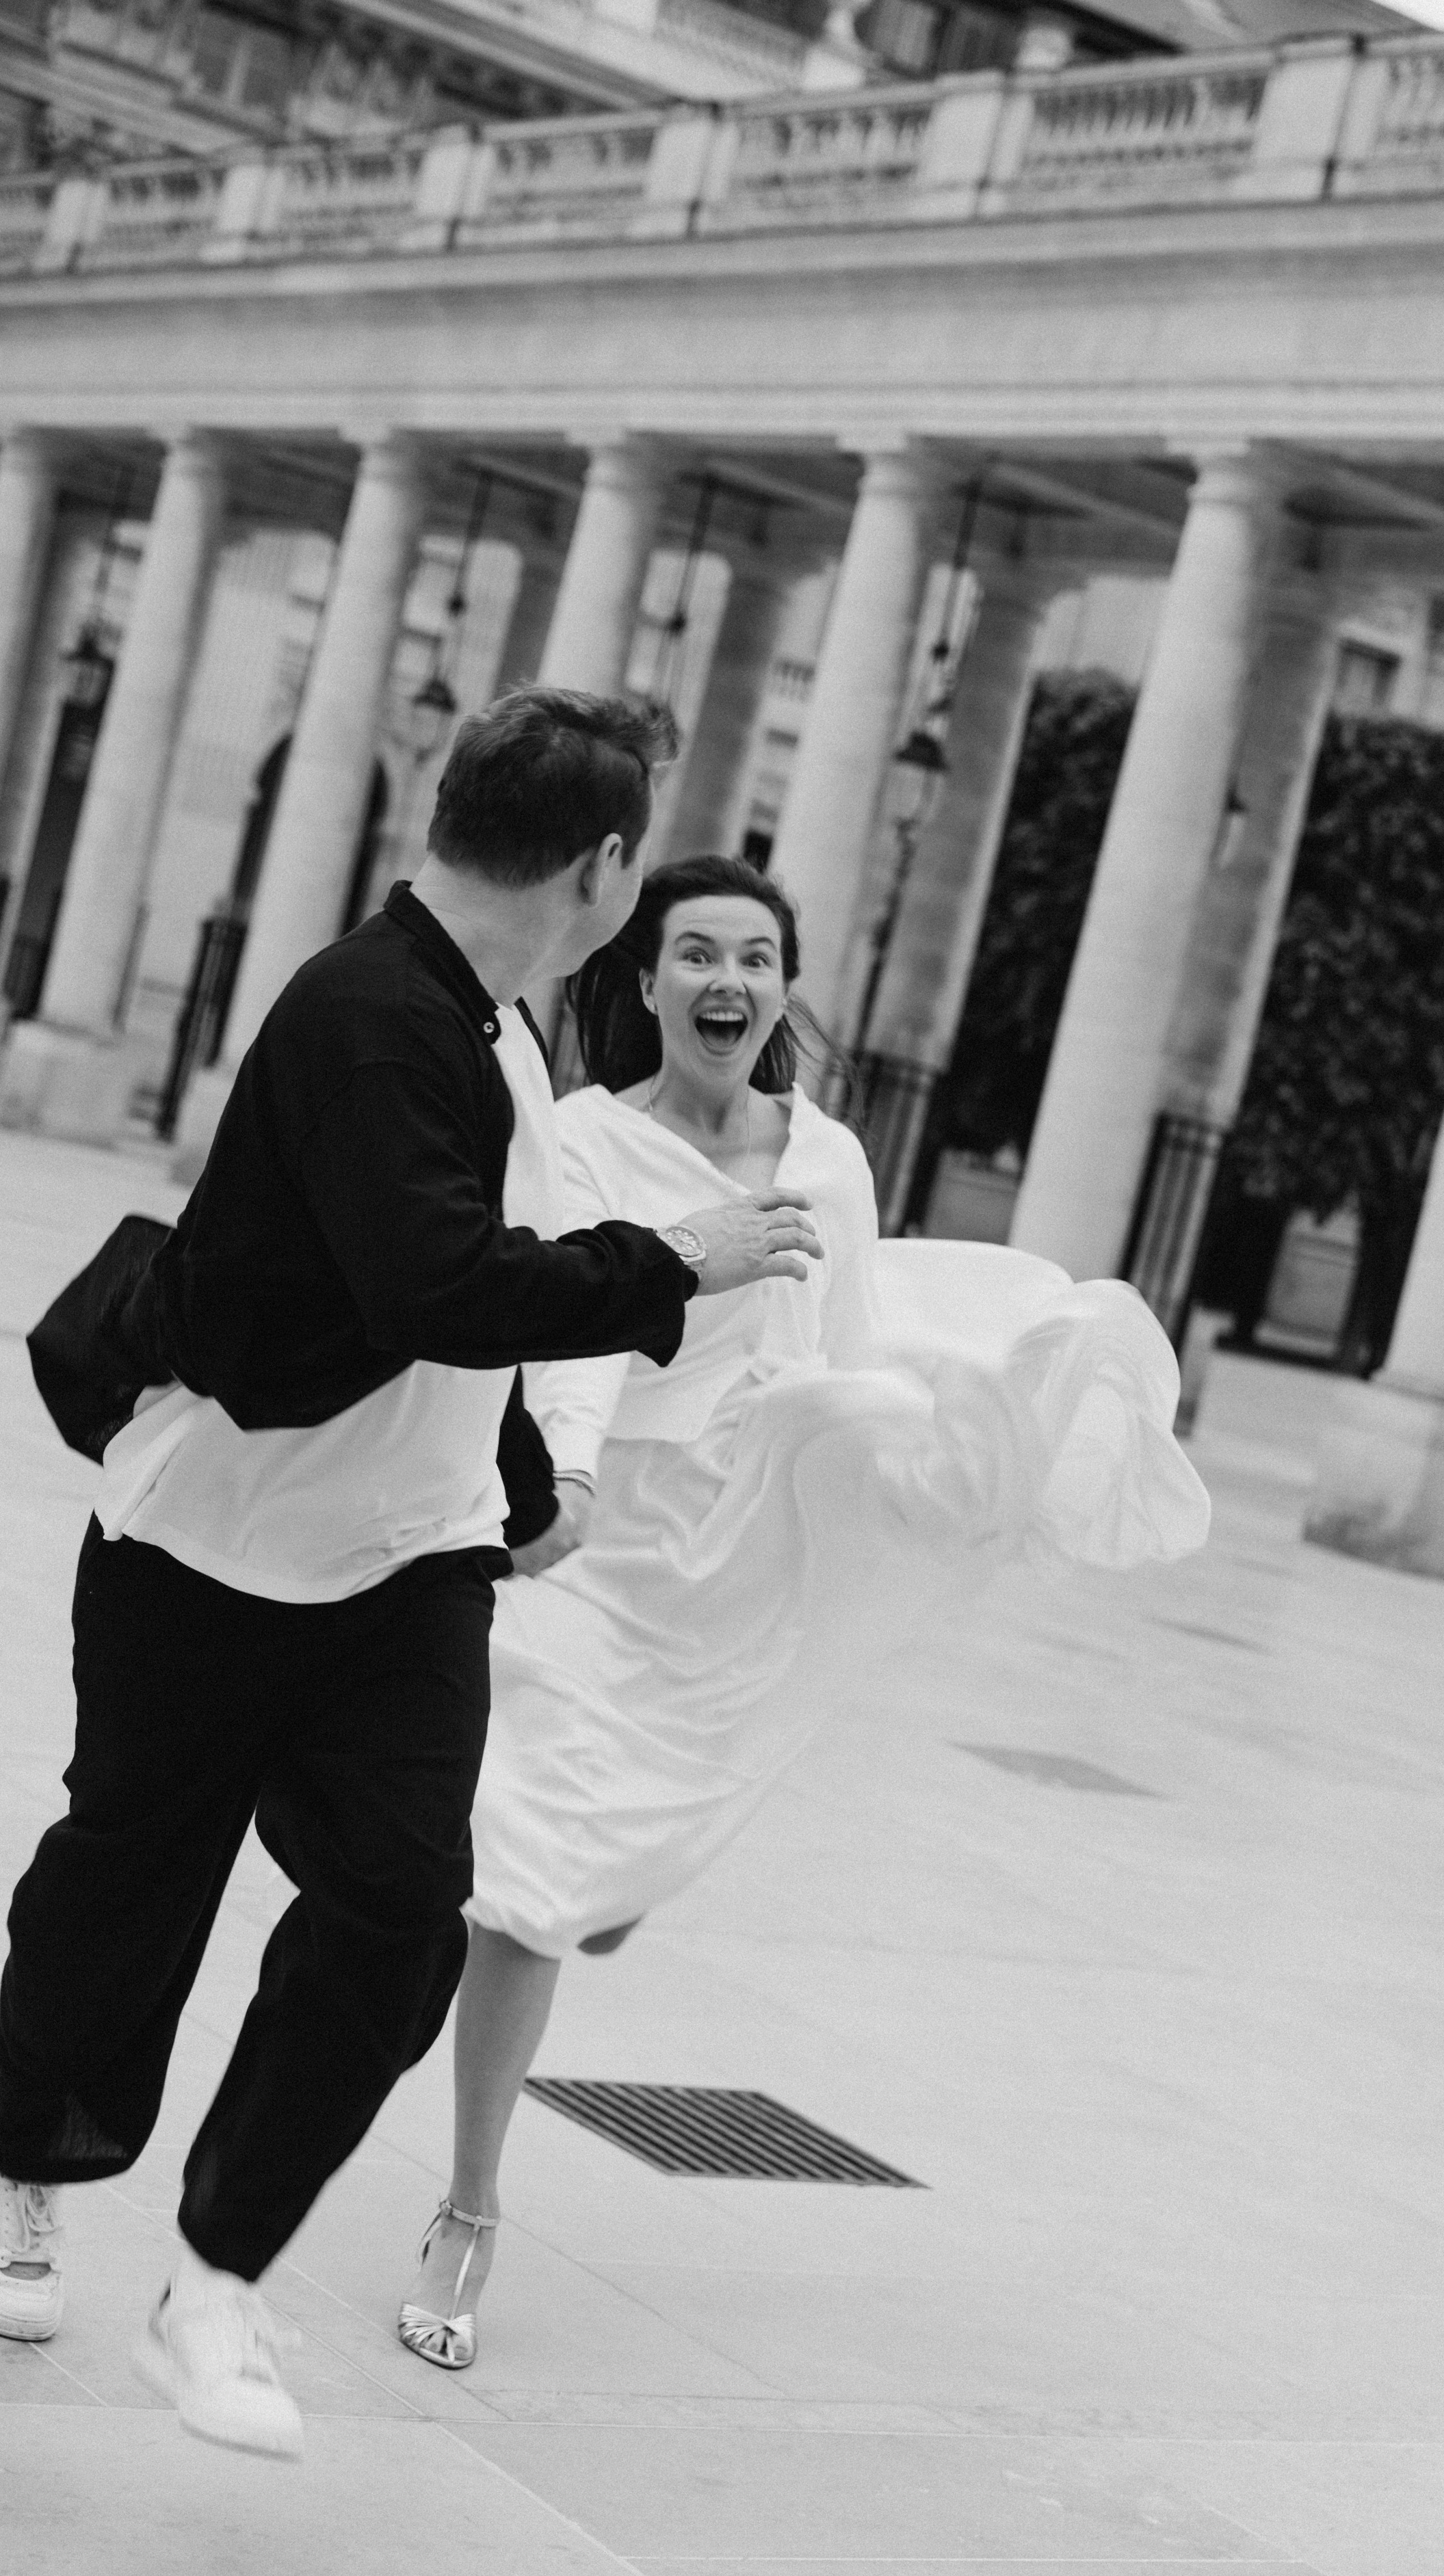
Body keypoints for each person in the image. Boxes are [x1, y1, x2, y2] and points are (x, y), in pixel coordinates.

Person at [0, 694, 822, 2460]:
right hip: (210, 1551)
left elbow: (473, 1308)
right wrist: (676, 1257)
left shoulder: (497, 1018)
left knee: (396, 1916)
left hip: (406, 1573)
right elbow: (436, 1280)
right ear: (605, 868)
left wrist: (524, 1476)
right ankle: (26, 2166)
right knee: (121, 1892)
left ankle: (216, 2274)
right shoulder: (371, 1017)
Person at [397, 854, 1210, 2371]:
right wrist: (558, 1479)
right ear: (642, 980)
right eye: (694, 951)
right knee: (527, 1882)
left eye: (756, 957)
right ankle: (470, 2198)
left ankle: (618, 1871)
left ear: (782, 987)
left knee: (600, 1874)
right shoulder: (579, 1138)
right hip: (605, 1532)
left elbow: (847, 1352)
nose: (727, 980)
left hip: (747, 1538)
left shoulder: (826, 1156)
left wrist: (945, 1460)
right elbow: (560, 1335)